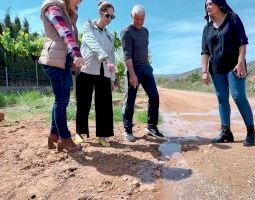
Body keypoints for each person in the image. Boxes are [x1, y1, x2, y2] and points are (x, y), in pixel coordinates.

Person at [201, 0, 255, 146]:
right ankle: (226, 132)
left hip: (234, 67)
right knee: (222, 99)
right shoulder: (207, 29)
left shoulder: (233, 18)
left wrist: (240, 63)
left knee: (238, 96)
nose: (208, 6)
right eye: (206, 5)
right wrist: (204, 71)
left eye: (210, 3)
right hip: (217, 69)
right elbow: (205, 51)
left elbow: (242, 42)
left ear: (219, 4)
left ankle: (251, 132)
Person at [39, 0, 84, 151]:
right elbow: (64, 31)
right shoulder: (53, 8)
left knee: (61, 100)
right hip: (55, 62)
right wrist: (76, 53)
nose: (79, 1)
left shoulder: (69, 13)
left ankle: (54, 134)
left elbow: (72, 34)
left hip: (62, 61)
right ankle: (64, 138)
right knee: (61, 101)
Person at [74, 1, 116, 147]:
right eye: (107, 15)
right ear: (100, 13)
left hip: (104, 73)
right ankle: (79, 133)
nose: (109, 19)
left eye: (112, 17)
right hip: (86, 70)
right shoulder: (88, 26)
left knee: (104, 105)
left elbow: (112, 56)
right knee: (83, 102)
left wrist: (112, 78)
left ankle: (102, 136)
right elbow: (92, 43)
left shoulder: (110, 36)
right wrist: (104, 57)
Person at [121, 4, 164, 142]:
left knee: (154, 96)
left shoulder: (145, 31)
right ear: (131, 16)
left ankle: (151, 126)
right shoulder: (127, 31)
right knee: (131, 100)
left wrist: (148, 67)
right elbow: (127, 55)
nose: (139, 22)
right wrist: (132, 74)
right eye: (136, 19)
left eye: (141, 19)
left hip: (146, 68)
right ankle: (127, 130)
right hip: (134, 69)